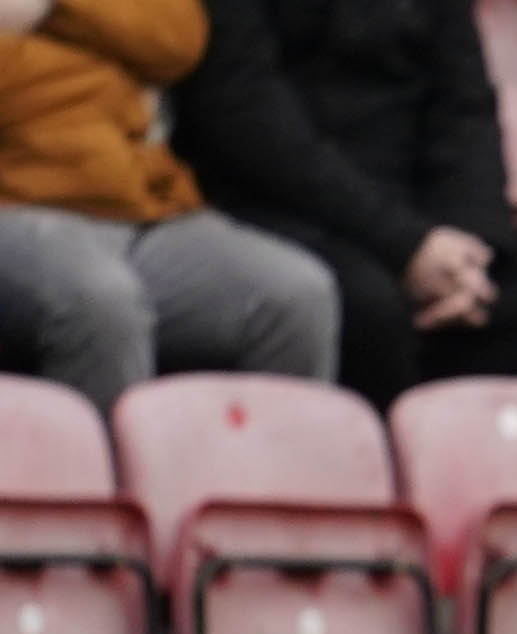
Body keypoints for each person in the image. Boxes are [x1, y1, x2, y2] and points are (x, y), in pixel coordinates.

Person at [168, 0, 517, 410]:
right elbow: (247, 115)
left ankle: (433, 444)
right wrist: (405, 244)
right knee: (368, 308)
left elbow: (465, 109)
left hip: (415, 222)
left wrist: (468, 254)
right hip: (282, 208)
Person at [0, 0, 337, 411]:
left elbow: (176, 37)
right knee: (103, 303)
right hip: (18, 209)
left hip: (142, 204)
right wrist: (109, 42)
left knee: (296, 296)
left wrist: (54, 7)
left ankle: (265, 455)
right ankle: (102, 455)